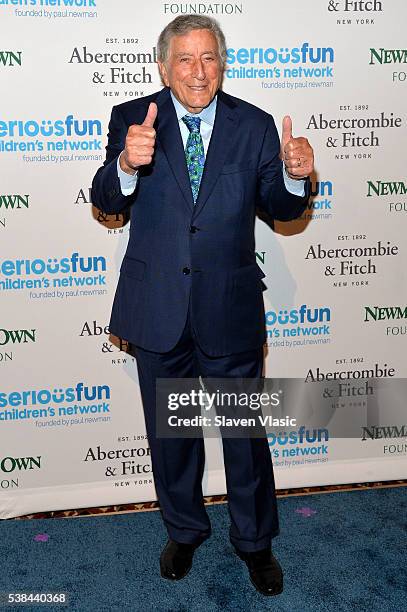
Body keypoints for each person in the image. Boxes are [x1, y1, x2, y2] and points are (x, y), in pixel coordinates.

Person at [91, 14, 314, 597]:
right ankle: (185, 529)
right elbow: (108, 199)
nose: (197, 70)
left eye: (208, 57)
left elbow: (282, 210)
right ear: (163, 65)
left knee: (242, 433)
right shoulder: (131, 119)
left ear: (222, 63)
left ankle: (255, 542)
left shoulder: (255, 125)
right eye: (185, 59)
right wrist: (125, 165)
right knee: (171, 434)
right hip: (157, 303)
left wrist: (296, 179)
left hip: (229, 303)